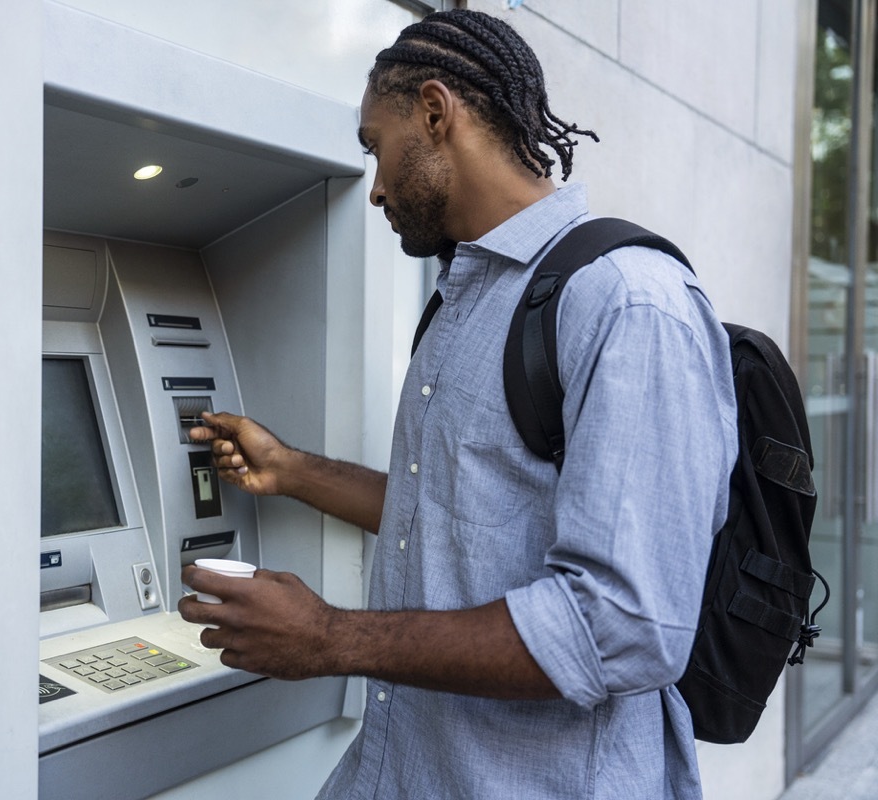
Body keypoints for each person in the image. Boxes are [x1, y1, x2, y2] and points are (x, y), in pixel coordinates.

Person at [177, 9, 736, 799]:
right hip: (405, 771)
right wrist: (293, 470)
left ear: (436, 114)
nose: (373, 188)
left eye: (377, 149)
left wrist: (332, 637)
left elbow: (621, 626)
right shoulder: (465, 298)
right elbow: (452, 513)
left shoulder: (627, 303)